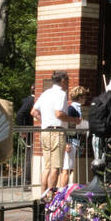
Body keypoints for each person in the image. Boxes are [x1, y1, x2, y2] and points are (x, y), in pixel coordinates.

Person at [36, 71, 78, 200]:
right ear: (63, 80)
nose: (68, 84)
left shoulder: (45, 93)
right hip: (56, 131)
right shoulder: (60, 94)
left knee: (47, 166)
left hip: (45, 131)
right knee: (55, 167)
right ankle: (51, 197)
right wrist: (74, 120)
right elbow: (59, 114)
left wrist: (45, 121)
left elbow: (34, 111)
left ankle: (43, 195)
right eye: (68, 81)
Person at [59, 85, 90, 189]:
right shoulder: (71, 109)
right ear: (80, 97)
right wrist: (67, 142)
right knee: (67, 169)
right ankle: (62, 192)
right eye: (84, 96)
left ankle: (64, 190)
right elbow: (67, 126)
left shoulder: (78, 108)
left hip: (76, 140)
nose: (85, 99)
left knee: (70, 168)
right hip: (71, 141)